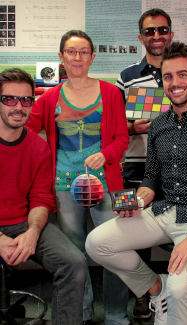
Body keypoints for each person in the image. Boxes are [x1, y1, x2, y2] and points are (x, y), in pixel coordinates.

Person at [86, 42, 187, 325]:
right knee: (97, 243)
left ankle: (172, 291)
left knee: (182, 289)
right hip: (164, 211)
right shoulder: (159, 125)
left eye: (182, 75)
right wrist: (135, 202)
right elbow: (151, 179)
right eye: (168, 77)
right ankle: (157, 288)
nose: (175, 83)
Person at [26, 30, 130, 325]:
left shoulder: (110, 93)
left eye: (84, 52)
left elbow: (122, 138)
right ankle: (80, 314)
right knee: (75, 252)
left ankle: (116, 316)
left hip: (106, 183)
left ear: (92, 57)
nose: (77, 58)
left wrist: (106, 154)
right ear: (61, 57)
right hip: (63, 185)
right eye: (71, 52)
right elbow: (26, 129)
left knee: (115, 248)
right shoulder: (48, 98)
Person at [0, 67, 87, 325]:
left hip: (22, 223)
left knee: (74, 263)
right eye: (9, 99)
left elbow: (40, 198)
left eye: (26, 100)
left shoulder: (38, 146)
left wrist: (32, 232)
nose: (19, 106)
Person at [116, 8, 174, 318]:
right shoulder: (126, 77)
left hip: (175, 169)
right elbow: (112, 126)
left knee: (180, 229)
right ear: (141, 37)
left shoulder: (182, 72)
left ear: (170, 34)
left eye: (161, 30)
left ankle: (178, 294)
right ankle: (145, 293)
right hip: (133, 169)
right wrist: (132, 127)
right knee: (132, 232)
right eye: (150, 31)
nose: (156, 36)